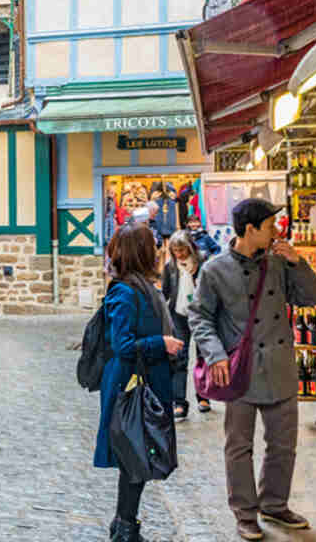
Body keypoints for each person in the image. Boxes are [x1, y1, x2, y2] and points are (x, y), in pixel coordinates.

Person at [188, 198, 316, 541]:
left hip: (279, 367)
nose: (276, 231)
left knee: (283, 444)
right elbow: (199, 316)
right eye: (270, 225)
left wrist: (298, 263)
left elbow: (312, 297)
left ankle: (275, 504)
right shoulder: (214, 270)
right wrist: (215, 354)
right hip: (239, 371)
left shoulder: (279, 264)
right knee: (239, 446)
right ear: (251, 229)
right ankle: (245, 513)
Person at [94, 224, 183, 542]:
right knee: (135, 456)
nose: (159, 249)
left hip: (146, 380)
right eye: (153, 245)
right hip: (130, 385)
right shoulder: (125, 291)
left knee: (137, 457)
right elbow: (122, 346)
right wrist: (162, 343)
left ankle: (123, 525)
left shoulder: (143, 286)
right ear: (142, 252)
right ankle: (125, 529)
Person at [162, 230, 208, 418]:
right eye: (175, 251)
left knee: (203, 357)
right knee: (179, 359)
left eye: (182, 250)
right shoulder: (170, 266)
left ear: (190, 248)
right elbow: (165, 292)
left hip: (201, 315)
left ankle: (204, 397)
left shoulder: (203, 262)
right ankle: (179, 401)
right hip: (178, 315)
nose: (179, 254)